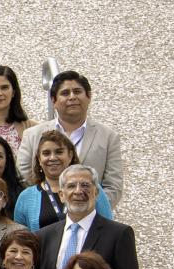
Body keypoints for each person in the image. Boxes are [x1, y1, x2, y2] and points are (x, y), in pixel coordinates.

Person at [15, 70, 125, 206]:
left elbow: (113, 185)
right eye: (65, 93)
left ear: (89, 96)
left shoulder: (108, 137)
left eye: (77, 91)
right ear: (53, 100)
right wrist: (46, 203)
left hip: (90, 218)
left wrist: (87, 208)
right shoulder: (33, 135)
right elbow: (23, 175)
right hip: (43, 215)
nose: (72, 97)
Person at [36, 164, 140, 269]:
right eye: (71, 186)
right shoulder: (43, 236)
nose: (78, 191)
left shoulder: (119, 234)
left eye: (85, 185)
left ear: (96, 193)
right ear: (61, 195)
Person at [11, 129, 112, 231]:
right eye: (46, 153)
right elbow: (20, 239)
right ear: (39, 159)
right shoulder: (26, 197)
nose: (53, 158)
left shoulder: (90, 188)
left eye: (59, 152)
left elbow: (108, 227)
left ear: (70, 155)